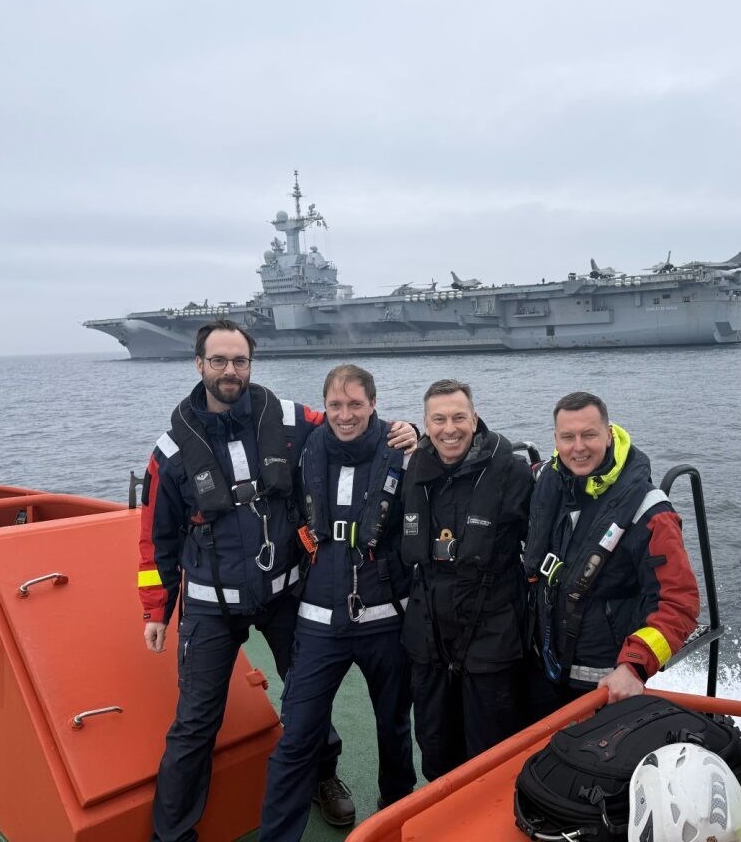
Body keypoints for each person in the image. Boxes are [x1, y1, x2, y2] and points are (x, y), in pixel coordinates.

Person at [138, 322, 414, 842]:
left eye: (239, 360)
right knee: (195, 723)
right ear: (199, 364)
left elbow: (351, 424)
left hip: (285, 593)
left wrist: (407, 431)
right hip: (212, 603)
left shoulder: (291, 419)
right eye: (218, 361)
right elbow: (156, 537)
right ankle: (172, 835)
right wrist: (157, 608)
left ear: (251, 364)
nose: (230, 371)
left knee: (307, 701)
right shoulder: (171, 450)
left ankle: (323, 776)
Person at [258, 365, 416, 842]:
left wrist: (419, 433)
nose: (345, 415)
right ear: (323, 407)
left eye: (355, 404)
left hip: (384, 619)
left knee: (393, 726)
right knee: (297, 733)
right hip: (318, 621)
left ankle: (396, 817)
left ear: (374, 404)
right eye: (335, 405)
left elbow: (456, 450)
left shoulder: (404, 449)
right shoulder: (304, 448)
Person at [524, 392, 700, 719]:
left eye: (589, 435)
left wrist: (634, 667)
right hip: (543, 669)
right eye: (568, 437)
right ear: (556, 440)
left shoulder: (651, 512)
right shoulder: (548, 484)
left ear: (608, 435)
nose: (578, 447)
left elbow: (679, 604)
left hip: (603, 686)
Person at [400, 379, 533, 781]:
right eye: (438, 419)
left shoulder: (514, 472)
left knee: (490, 748)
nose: (449, 429)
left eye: (459, 417)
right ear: (425, 424)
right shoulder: (412, 469)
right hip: (430, 633)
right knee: (434, 742)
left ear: (475, 420)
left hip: (492, 629)